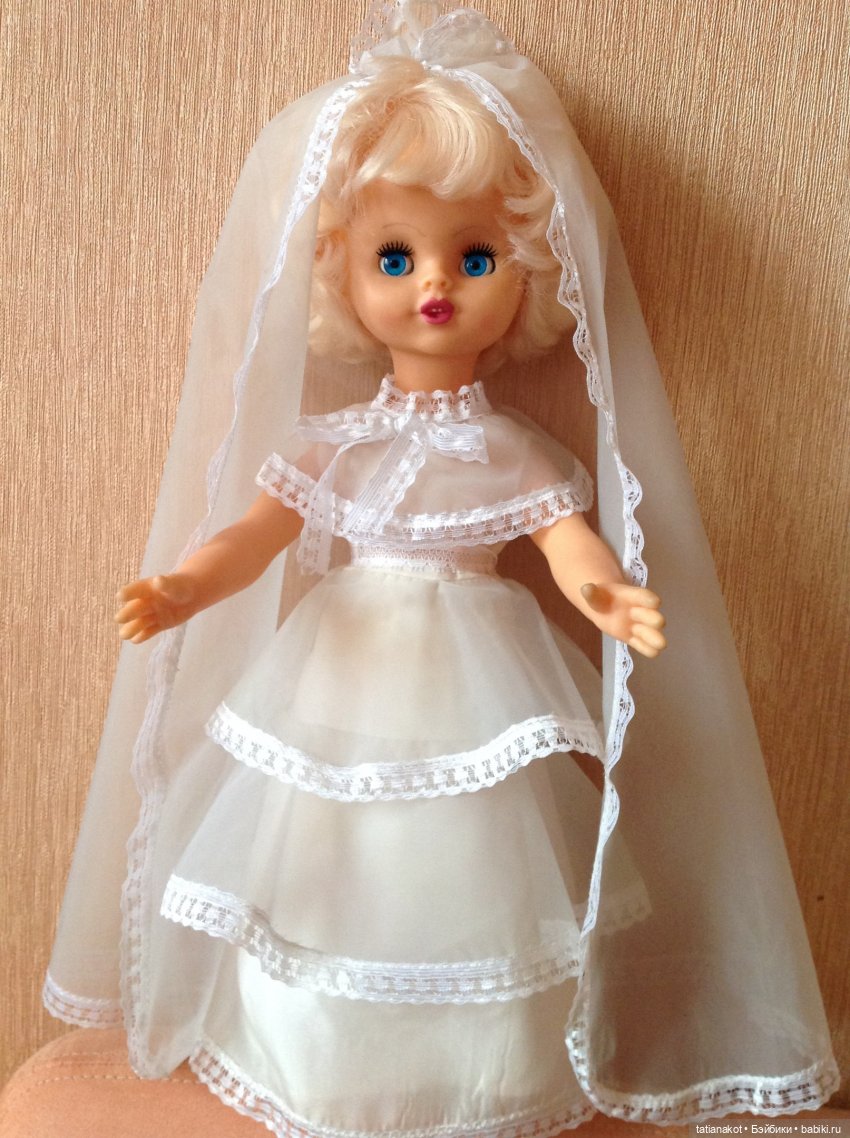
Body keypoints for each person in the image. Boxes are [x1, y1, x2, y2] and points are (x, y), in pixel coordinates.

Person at [44, 5, 837, 1135]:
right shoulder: (333, 446)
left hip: (474, 674)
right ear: (342, 275)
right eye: (394, 257)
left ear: (527, 275)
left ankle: (481, 1070)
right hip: (340, 672)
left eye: (474, 257)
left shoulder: (513, 450)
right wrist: (183, 587)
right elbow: (258, 533)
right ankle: (320, 1059)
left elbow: (565, 539)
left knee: (467, 860)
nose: (434, 286)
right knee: (330, 846)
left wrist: (608, 594)